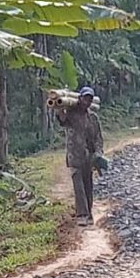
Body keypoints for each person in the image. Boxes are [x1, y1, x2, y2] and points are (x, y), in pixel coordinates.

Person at [56, 86, 104, 226]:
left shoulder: (93, 118)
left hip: (88, 157)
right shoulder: (71, 114)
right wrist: (59, 107)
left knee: (88, 185)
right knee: (78, 186)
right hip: (74, 156)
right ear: (80, 98)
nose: (86, 102)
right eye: (84, 98)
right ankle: (82, 215)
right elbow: (62, 120)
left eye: (89, 99)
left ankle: (89, 214)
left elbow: (98, 138)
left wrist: (98, 153)